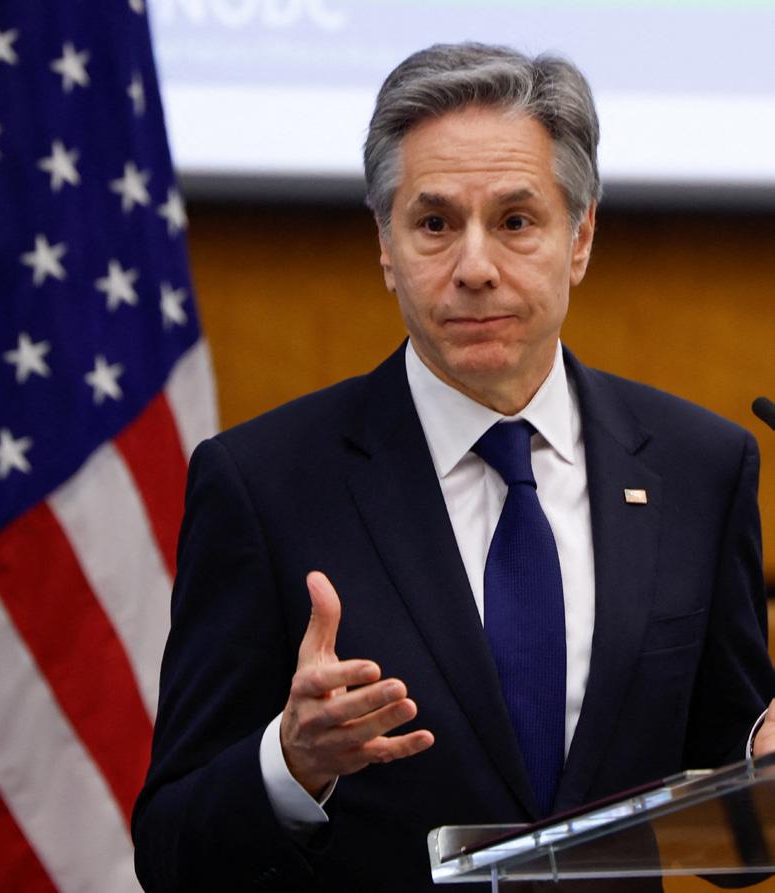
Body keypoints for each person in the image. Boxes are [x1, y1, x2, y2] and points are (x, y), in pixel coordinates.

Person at [132, 42, 775, 892]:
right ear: (386, 244)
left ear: (580, 238)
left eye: (516, 221)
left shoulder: (701, 467)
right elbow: (171, 852)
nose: (474, 268)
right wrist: (291, 764)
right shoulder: (262, 485)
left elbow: (727, 815)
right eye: (435, 225)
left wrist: (761, 757)